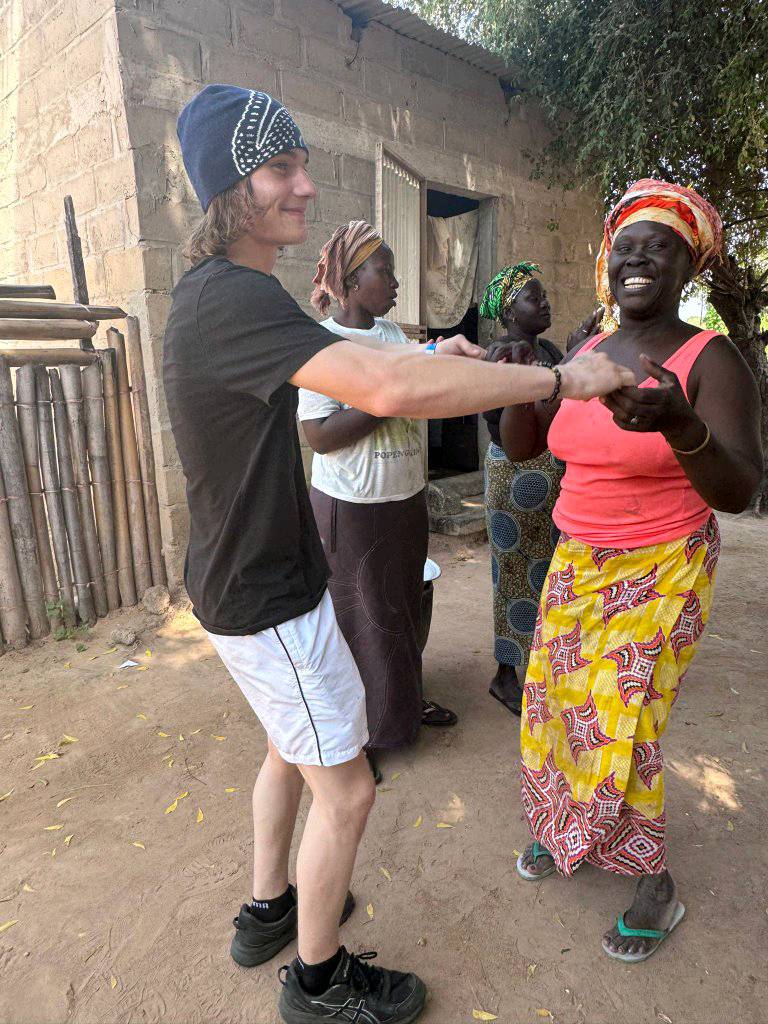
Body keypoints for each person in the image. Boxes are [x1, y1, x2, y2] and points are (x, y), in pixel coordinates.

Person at [164, 84, 634, 1024]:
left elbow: (375, 354)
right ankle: (317, 982)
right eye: (280, 170)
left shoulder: (231, 298)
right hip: (267, 596)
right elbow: (382, 381)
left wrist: (404, 339)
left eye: (301, 163)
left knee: (286, 751)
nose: (304, 186)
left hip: (253, 585)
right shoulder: (231, 301)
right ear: (231, 190)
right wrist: (555, 374)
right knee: (346, 790)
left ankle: (270, 913)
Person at [497, 179, 762, 963]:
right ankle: (563, 827)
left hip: (666, 566)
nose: (639, 257)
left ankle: (654, 884)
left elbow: (741, 489)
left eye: (662, 246)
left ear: (690, 268)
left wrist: (683, 425)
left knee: (626, 716)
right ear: (610, 264)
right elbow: (523, 445)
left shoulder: (712, 359)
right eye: (628, 245)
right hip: (577, 560)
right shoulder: (587, 350)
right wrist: (521, 380)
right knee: (554, 703)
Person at [298, 221, 457, 786]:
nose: (394, 280)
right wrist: (391, 400)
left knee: (402, 613)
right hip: (352, 507)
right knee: (356, 622)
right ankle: (357, 738)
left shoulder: (391, 336)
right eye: (383, 270)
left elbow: (426, 380)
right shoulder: (323, 344)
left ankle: (401, 712)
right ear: (349, 279)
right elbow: (318, 435)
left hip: (403, 498)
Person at [480, 262, 603, 715]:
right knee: (515, 574)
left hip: (551, 474)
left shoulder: (546, 348)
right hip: (515, 479)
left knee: (549, 574)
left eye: (545, 294)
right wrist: (572, 358)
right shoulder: (501, 355)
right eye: (535, 298)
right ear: (510, 310)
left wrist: (572, 351)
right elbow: (530, 409)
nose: (545, 303)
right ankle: (505, 675)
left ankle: (538, 667)